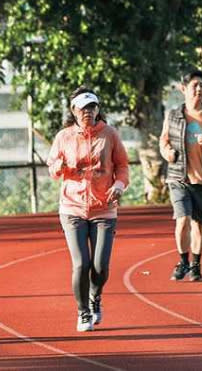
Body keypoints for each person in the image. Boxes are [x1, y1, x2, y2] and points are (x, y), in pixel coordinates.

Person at [47, 87, 129, 332]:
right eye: (83, 108)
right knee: (81, 264)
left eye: (92, 107)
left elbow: (123, 166)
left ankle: (96, 296)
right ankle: (83, 312)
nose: (88, 112)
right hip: (72, 208)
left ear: (98, 109)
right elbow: (52, 166)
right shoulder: (64, 137)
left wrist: (119, 185)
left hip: (104, 209)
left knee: (100, 267)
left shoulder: (110, 135)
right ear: (73, 111)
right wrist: (58, 166)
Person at [159, 69, 202, 282]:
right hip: (178, 178)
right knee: (182, 219)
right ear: (183, 89)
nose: (199, 89)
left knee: (198, 224)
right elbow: (163, 141)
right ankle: (183, 261)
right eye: (194, 85)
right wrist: (168, 153)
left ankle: (196, 265)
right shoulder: (173, 116)